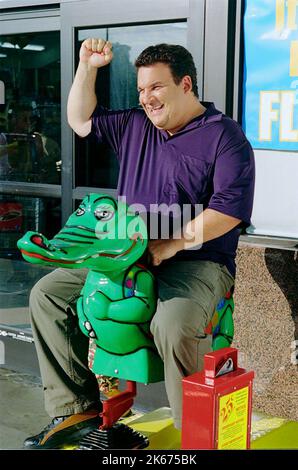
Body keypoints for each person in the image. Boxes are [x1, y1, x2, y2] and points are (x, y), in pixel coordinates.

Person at [24, 38, 255, 448]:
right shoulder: (135, 124)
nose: (147, 99)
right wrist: (87, 67)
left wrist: (170, 245)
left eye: (156, 88)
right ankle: (75, 409)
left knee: (173, 323)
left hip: (196, 262)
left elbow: (228, 210)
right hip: (123, 256)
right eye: (142, 90)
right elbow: (80, 120)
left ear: (186, 85)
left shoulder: (224, 136)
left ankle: (197, 435)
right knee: (48, 294)